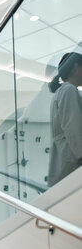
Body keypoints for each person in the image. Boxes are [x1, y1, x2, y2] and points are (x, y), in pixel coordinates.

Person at [47, 52, 82, 187]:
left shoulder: (61, 92)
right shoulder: (69, 90)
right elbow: (72, 126)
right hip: (72, 157)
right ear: (75, 67)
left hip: (65, 156)